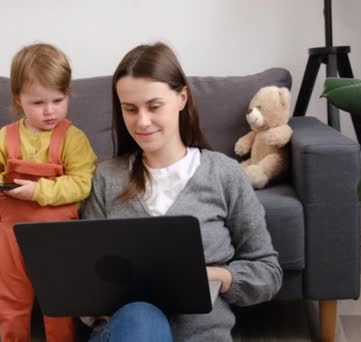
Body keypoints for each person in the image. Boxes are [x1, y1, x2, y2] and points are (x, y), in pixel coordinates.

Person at [81, 42, 282, 341]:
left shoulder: (223, 174)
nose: (142, 121)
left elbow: (268, 272)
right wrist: (91, 307)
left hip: (203, 334)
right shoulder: (107, 177)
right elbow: (86, 275)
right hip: (130, 332)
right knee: (142, 318)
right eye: (130, 109)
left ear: (182, 98)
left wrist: (218, 277)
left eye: (154, 106)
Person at [0, 43, 97, 342]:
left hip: (58, 239)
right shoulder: (2, 138)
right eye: (38, 102)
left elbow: (82, 183)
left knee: (59, 302)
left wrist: (36, 191)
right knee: (10, 301)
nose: (50, 110)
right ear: (18, 100)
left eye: (58, 99)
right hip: (10, 236)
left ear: (68, 93)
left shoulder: (73, 139)